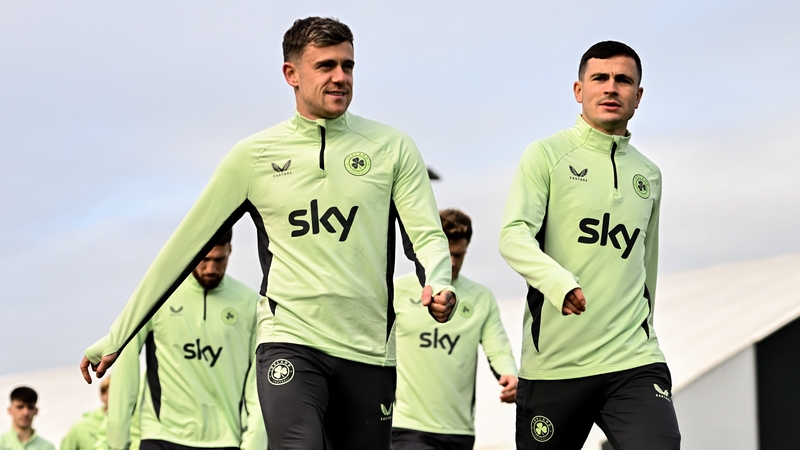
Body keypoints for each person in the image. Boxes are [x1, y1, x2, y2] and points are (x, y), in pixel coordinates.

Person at [80, 16, 456, 450]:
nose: (340, 77)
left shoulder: (393, 148)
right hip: (290, 340)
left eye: (348, 66)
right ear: (291, 74)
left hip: (369, 350)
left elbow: (426, 235)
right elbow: (182, 249)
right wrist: (119, 334)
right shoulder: (253, 157)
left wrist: (440, 283)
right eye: (326, 66)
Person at [499, 41, 681, 449]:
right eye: (600, 78)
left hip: (633, 360)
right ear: (579, 90)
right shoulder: (545, 155)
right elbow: (513, 234)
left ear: (638, 96)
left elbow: (645, 265)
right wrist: (558, 282)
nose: (611, 88)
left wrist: (644, 328)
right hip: (555, 366)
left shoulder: (649, 175)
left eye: (624, 80)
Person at [102, 230, 266, 450]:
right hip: (162, 435)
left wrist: (254, 445)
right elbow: (125, 363)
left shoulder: (250, 304)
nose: (211, 269)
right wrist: (117, 443)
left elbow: (258, 383)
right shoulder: (157, 295)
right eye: (204, 259)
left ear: (230, 251)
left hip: (225, 439)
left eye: (219, 260)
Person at [392, 209, 518, 450]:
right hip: (407, 426)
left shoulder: (482, 298)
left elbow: (498, 347)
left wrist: (510, 375)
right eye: (446, 254)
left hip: (460, 431)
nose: (451, 262)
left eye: (459, 255)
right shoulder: (398, 291)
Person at [60, 377, 111, 450]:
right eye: (113, 393)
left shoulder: (132, 425)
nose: (119, 398)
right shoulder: (80, 427)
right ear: (102, 396)